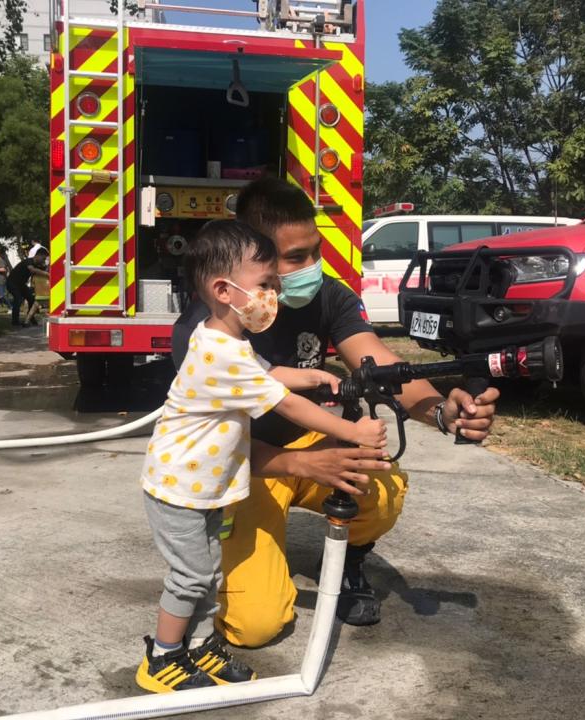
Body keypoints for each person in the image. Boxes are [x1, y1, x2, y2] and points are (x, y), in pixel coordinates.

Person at [171, 177, 500, 648]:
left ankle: (350, 557)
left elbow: (380, 361)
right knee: (255, 627)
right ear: (250, 260)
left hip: (305, 445)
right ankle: (237, 558)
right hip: (243, 467)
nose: (312, 267)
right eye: (294, 258)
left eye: (315, 251)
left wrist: (443, 411)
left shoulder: (330, 295)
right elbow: (215, 448)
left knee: (379, 486)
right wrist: (302, 463)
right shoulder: (201, 337)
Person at [136, 220, 387, 693]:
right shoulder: (217, 352)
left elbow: (271, 373)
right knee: (190, 577)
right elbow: (283, 402)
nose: (275, 293)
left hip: (207, 488)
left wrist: (316, 377)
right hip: (179, 491)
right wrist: (351, 429)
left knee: (209, 573)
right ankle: (162, 658)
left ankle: (202, 644)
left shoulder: (230, 340)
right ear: (223, 290)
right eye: (266, 284)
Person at [7, 248, 49, 327]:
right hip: (12, 283)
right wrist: (47, 274)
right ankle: (15, 322)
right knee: (18, 299)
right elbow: (32, 270)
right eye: (43, 258)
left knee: (31, 299)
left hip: (20, 284)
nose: (43, 261)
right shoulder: (29, 261)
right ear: (38, 255)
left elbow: (44, 269)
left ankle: (30, 318)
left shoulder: (37, 264)